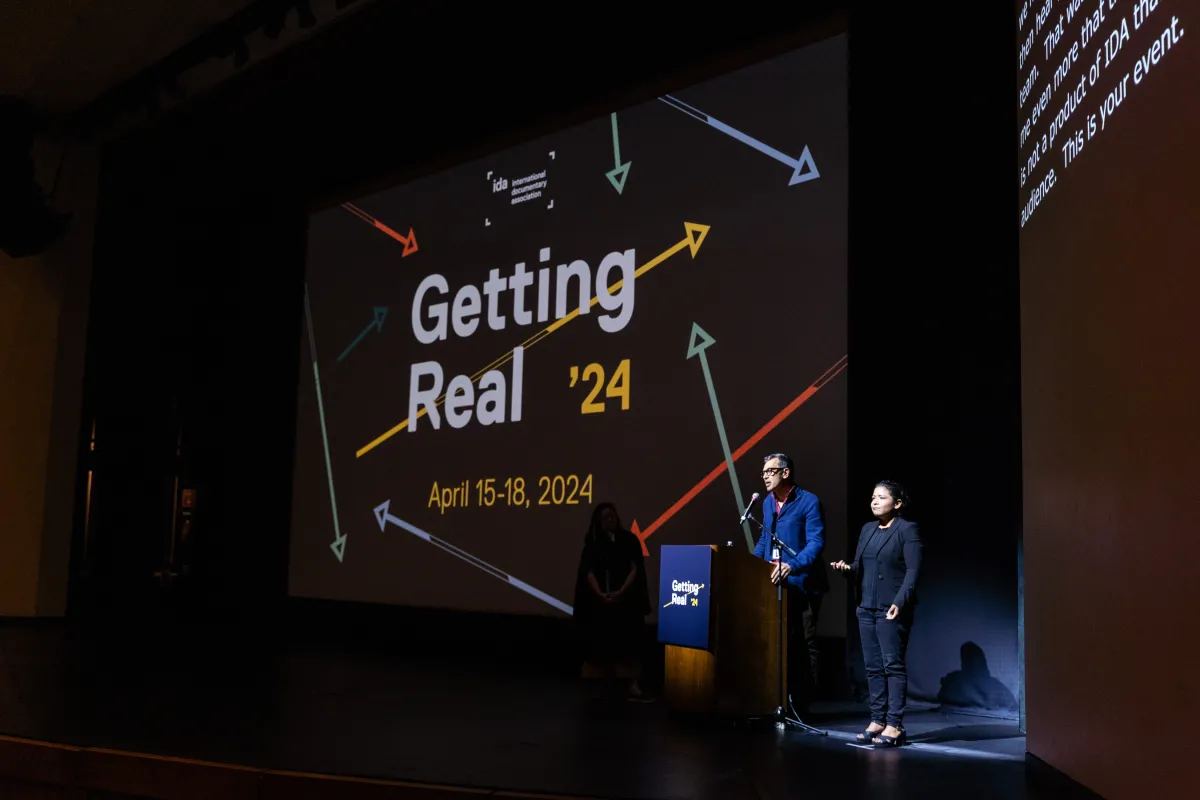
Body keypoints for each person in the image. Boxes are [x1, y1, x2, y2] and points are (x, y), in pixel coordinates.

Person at [831, 479, 923, 747]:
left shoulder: (907, 530)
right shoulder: (868, 529)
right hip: (866, 607)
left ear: (897, 503)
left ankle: (895, 724)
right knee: (872, 667)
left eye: (881, 497)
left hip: (891, 607)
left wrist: (900, 601)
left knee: (892, 665)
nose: (874, 501)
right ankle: (877, 719)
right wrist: (848, 569)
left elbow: (914, 570)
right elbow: (860, 565)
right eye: (873, 496)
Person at [751, 452, 828, 714]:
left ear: (785, 473)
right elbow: (765, 539)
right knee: (778, 641)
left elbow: (816, 542)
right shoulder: (766, 503)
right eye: (763, 473)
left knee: (805, 642)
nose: (764, 477)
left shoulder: (809, 501)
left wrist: (792, 565)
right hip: (776, 585)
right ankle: (779, 697)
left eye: (769, 471)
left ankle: (805, 705)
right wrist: (751, 566)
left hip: (804, 582)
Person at [572, 502, 652, 701]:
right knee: (601, 646)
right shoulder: (593, 544)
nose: (610, 520)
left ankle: (632, 685)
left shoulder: (629, 540)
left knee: (631, 646)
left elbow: (635, 569)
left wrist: (621, 592)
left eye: (612, 516)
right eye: (605, 517)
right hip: (601, 605)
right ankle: (601, 686)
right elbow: (588, 572)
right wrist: (600, 593)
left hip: (626, 604)